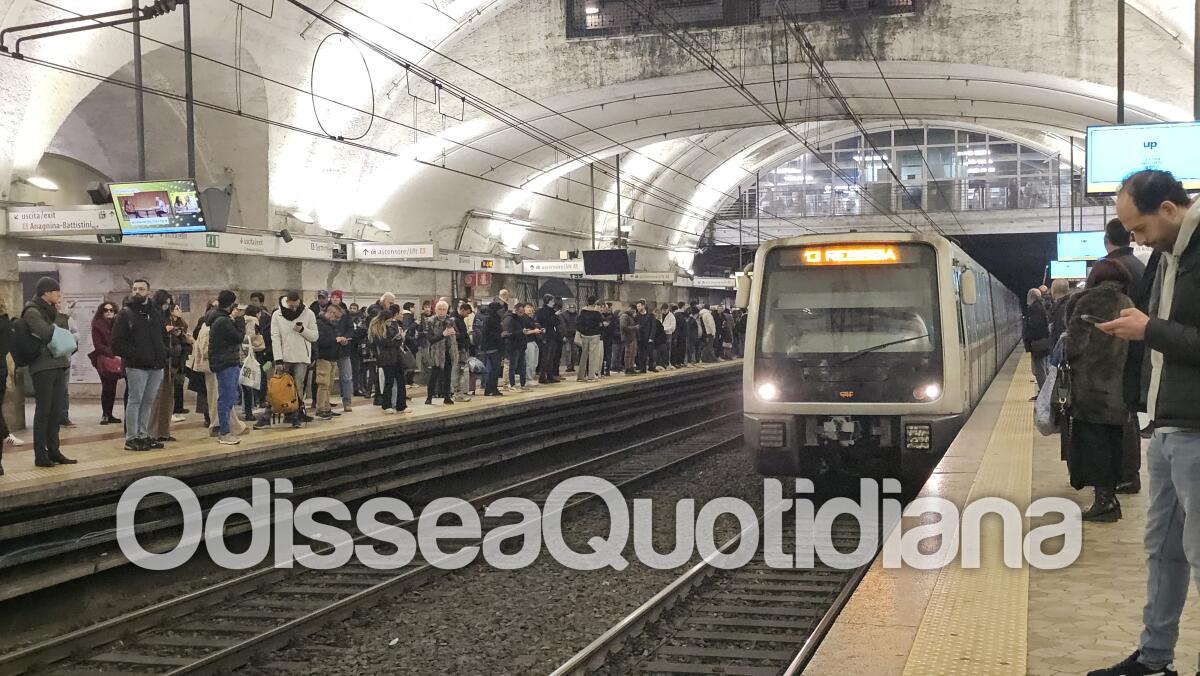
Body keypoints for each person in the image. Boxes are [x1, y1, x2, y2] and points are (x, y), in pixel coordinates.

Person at [1089, 170, 1200, 676]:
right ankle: (1154, 660)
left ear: (1170, 211)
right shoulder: (1164, 255)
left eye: (1138, 229)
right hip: (1165, 422)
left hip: (1197, 428)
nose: (1134, 239)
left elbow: (1168, 332)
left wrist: (1149, 328)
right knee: (1162, 550)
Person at [1062, 259, 1134, 522]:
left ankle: (1104, 502)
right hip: (1116, 387)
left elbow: (1074, 346)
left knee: (1094, 445)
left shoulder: (1087, 302)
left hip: (1090, 388)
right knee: (1112, 442)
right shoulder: (1127, 303)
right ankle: (1109, 497)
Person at [112, 279, 168, 452]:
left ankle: (144, 434)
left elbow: (162, 336)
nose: (137, 291)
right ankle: (131, 437)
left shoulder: (156, 313)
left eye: (141, 289)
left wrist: (164, 353)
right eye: (134, 289)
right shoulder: (125, 314)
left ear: (148, 292)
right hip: (136, 366)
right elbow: (116, 343)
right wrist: (136, 354)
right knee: (135, 400)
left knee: (148, 401)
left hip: (156, 365)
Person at [258, 291, 317, 429]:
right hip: (284, 357)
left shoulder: (308, 313)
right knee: (277, 385)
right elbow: (275, 337)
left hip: (302, 356)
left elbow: (314, 336)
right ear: (287, 302)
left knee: (298, 385)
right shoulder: (277, 315)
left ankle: (295, 415)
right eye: (292, 307)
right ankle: (268, 414)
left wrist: (302, 330)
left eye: (297, 306)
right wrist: (278, 359)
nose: (294, 309)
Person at [207, 291, 246, 444]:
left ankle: (226, 430)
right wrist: (240, 320)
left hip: (226, 362)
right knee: (226, 397)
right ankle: (224, 432)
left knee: (230, 396)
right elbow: (238, 337)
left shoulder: (219, 318)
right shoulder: (223, 321)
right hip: (226, 363)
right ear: (231, 304)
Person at [147, 290, 179, 444]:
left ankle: (164, 431)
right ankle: (152, 432)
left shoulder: (167, 317)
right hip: (158, 361)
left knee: (167, 398)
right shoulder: (153, 315)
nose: (167, 305)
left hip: (169, 360)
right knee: (156, 399)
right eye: (165, 302)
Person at [89, 301, 123, 425]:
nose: (109, 312)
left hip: (115, 358)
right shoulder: (97, 325)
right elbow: (97, 344)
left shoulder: (117, 324)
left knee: (112, 386)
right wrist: (111, 352)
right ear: (101, 312)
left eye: (111, 310)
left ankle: (110, 414)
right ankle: (105, 414)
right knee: (106, 385)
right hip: (103, 359)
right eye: (106, 310)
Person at [368, 306, 407, 414]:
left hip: (397, 357)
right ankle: (386, 405)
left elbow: (396, 343)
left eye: (391, 321)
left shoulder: (392, 326)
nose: (390, 323)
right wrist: (396, 340)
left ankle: (401, 405)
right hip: (386, 359)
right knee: (388, 382)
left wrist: (400, 337)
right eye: (388, 321)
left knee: (401, 381)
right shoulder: (377, 329)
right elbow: (384, 343)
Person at [312, 303, 343, 420]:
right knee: (323, 384)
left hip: (333, 357)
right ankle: (320, 409)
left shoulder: (332, 325)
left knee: (329, 384)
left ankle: (327, 407)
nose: (336, 319)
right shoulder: (319, 323)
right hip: (323, 357)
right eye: (336, 317)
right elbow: (320, 340)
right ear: (331, 313)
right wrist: (335, 340)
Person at [424, 300, 457, 405]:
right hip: (436, 352)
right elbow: (430, 339)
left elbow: (457, 334)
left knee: (448, 375)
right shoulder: (431, 321)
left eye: (444, 309)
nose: (442, 311)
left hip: (449, 351)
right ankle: (429, 397)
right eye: (440, 309)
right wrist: (443, 334)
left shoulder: (451, 320)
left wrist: (455, 333)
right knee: (434, 375)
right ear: (436, 310)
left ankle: (447, 396)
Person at [328, 290, 355, 412]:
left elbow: (351, 329)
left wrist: (346, 338)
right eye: (332, 297)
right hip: (330, 349)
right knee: (327, 378)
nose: (334, 299)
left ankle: (347, 402)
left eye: (336, 297)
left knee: (347, 377)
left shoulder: (347, 314)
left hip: (344, 348)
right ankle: (325, 403)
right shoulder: (326, 313)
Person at [1023, 288, 1052, 397]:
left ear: (1031, 297)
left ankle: (1045, 396)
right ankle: (1045, 394)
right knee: (1041, 370)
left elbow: (1035, 328)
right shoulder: (1040, 307)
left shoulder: (1035, 309)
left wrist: (1029, 339)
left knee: (1040, 371)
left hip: (1038, 345)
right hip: (1041, 344)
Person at [576, 296, 603, 382]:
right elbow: (601, 322)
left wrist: (582, 332)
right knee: (593, 356)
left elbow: (579, 323)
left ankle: (580, 376)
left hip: (584, 335)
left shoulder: (583, 312)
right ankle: (591, 376)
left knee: (583, 356)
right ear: (595, 303)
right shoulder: (597, 313)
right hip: (594, 335)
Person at [480, 301, 504, 396]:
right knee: (495, 369)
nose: (502, 311)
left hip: (494, 347)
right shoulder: (491, 319)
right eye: (500, 309)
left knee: (494, 369)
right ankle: (490, 388)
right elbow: (488, 333)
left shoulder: (494, 318)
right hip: (492, 347)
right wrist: (500, 335)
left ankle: (492, 388)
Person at [535, 295, 561, 384]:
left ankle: (550, 376)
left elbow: (557, 322)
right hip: (546, 336)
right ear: (548, 301)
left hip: (553, 336)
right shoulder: (542, 311)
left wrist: (555, 316)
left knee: (552, 357)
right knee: (545, 357)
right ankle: (542, 376)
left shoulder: (552, 311)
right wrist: (555, 315)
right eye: (552, 301)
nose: (554, 303)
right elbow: (546, 321)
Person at [503, 302, 528, 391]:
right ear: (516, 310)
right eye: (520, 312)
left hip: (521, 345)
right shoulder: (509, 319)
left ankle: (523, 384)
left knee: (522, 365)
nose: (522, 314)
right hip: (512, 346)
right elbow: (507, 334)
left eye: (523, 312)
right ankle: (511, 384)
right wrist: (521, 332)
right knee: (512, 365)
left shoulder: (521, 319)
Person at [619, 305, 639, 374]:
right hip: (627, 337)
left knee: (633, 353)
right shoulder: (624, 316)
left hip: (632, 337)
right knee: (628, 353)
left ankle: (631, 367)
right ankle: (627, 368)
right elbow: (623, 327)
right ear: (629, 309)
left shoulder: (631, 317)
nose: (634, 312)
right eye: (633, 310)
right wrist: (634, 327)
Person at [562, 302, 579, 373]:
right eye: (571, 308)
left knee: (574, 351)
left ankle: (572, 366)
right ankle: (568, 366)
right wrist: (564, 335)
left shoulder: (578, 315)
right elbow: (563, 326)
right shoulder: (564, 315)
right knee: (568, 351)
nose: (572, 309)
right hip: (567, 336)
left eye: (573, 308)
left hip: (575, 335)